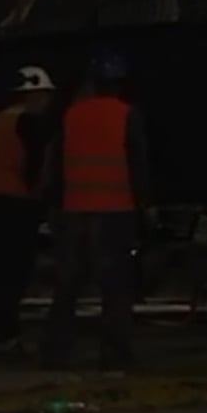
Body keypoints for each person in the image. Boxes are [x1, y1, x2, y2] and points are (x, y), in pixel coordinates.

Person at [41, 47, 152, 375]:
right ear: (121, 83)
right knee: (115, 286)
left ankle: (55, 352)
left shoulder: (73, 115)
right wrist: (145, 205)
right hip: (115, 211)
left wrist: (56, 206)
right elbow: (138, 163)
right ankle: (114, 355)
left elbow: (58, 165)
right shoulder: (127, 115)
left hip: (75, 210)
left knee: (68, 285)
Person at [0, 65, 57, 360]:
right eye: (44, 94)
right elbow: (34, 168)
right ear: (33, 94)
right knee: (12, 272)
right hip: (19, 204)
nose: (47, 101)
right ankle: (5, 337)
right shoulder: (29, 122)